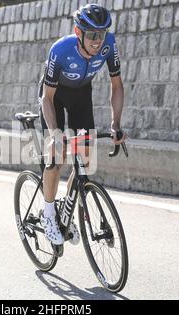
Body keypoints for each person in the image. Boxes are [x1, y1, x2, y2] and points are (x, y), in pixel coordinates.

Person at [39, 4, 126, 245]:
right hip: (54, 96)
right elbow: (47, 98)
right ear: (79, 33)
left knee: (84, 161)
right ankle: (48, 213)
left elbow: (116, 86)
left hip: (81, 96)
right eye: (93, 35)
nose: (98, 41)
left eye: (102, 33)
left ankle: (67, 211)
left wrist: (115, 124)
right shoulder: (60, 50)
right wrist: (56, 134)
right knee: (56, 157)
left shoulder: (109, 44)